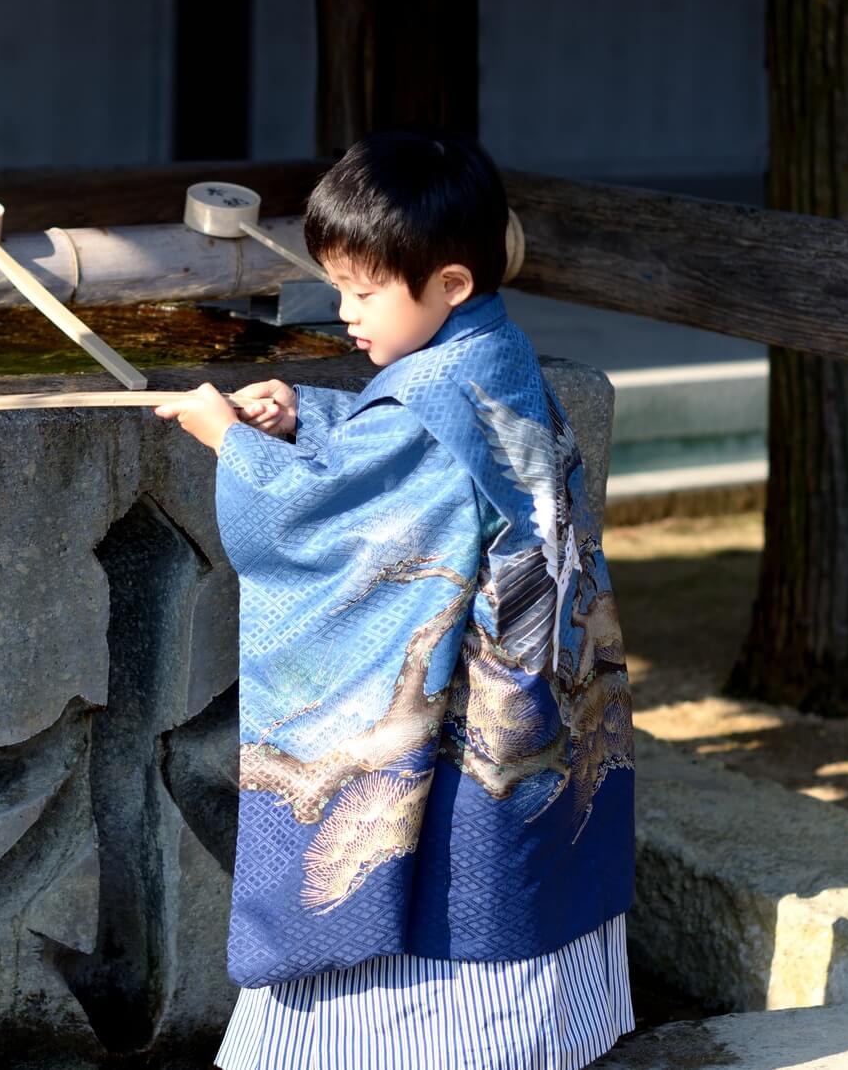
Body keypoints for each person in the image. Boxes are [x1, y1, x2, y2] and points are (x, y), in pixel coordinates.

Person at [154, 130, 636, 1070]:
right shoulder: (493, 354)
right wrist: (310, 416)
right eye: (339, 288)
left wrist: (233, 444)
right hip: (538, 671)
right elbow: (422, 460)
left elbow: (326, 520)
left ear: (450, 282)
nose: (344, 315)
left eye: (364, 292)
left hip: (471, 695)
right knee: (515, 867)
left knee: (433, 872)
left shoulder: (435, 392)